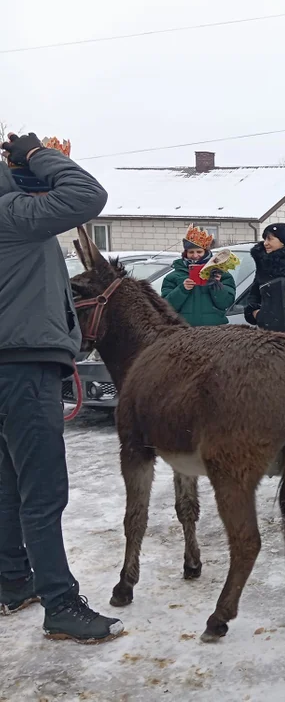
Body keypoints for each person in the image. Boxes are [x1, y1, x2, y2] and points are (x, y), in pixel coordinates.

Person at [0, 132, 124, 642]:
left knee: (9, 485)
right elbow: (86, 195)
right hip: (21, 366)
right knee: (43, 491)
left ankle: (12, 581)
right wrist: (37, 155)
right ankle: (60, 603)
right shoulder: (11, 215)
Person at [161, 225, 237, 327]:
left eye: (199, 251)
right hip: (184, 331)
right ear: (185, 253)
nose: (195, 255)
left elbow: (226, 303)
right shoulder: (173, 277)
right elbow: (166, 307)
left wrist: (216, 285)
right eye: (191, 252)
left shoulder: (221, 274)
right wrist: (182, 289)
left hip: (215, 331)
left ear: (206, 252)